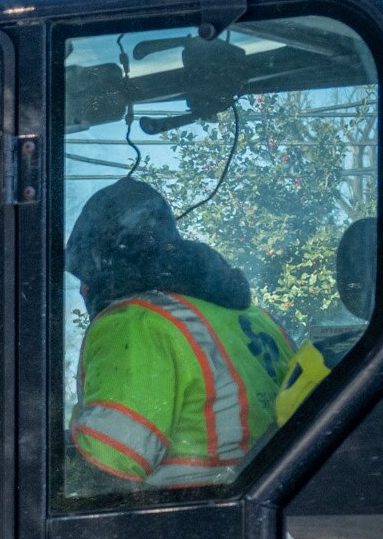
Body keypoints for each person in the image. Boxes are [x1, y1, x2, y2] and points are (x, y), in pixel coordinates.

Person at [65, 176, 303, 492]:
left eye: (86, 274)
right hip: (248, 504)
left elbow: (107, 469)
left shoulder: (136, 322)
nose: (82, 289)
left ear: (106, 263)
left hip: (186, 516)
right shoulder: (252, 316)